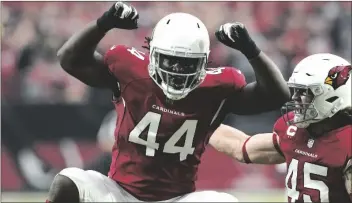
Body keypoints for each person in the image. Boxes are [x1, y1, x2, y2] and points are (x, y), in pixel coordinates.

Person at [47, 1, 290, 202]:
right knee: (67, 182)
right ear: (152, 53)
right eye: (170, 60)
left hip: (177, 198)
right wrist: (103, 23)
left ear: (204, 62)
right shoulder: (131, 70)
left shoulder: (216, 88)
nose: (177, 70)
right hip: (119, 192)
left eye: (187, 63)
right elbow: (69, 58)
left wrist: (252, 51)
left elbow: (276, 96)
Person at [209, 53, 352, 203]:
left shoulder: (347, 141)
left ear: (333, 96)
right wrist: (201, 122)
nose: (295, 99)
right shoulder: (295, 131)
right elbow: (242, 147)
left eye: (304, 93)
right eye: (296, 91)